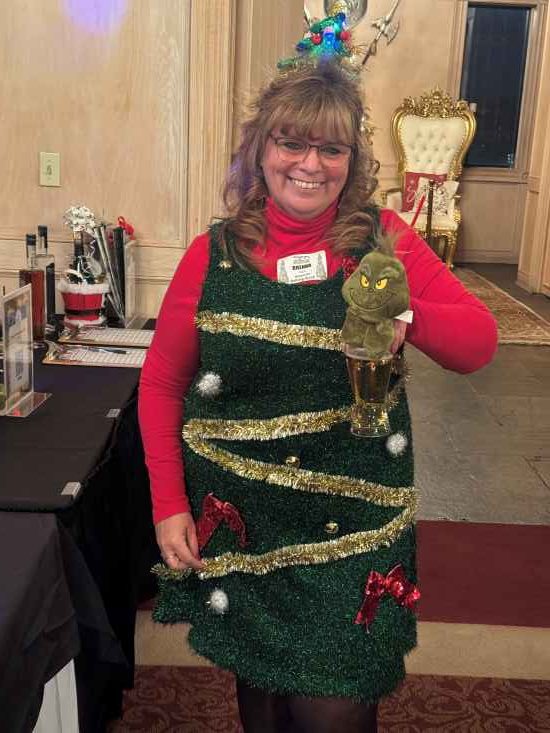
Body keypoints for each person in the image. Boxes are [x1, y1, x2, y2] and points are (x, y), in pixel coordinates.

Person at [139, 14, 497, 733]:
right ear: (260, 149)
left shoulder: (384, 242)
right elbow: (161, 384)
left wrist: (403, 314)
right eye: (291, 142)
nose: (310, 164)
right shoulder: (212, 255)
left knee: (332, 701)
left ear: (352, 159)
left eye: (330, 148)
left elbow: (478, 343)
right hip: (245, 517)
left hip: (352, 525)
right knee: (265, 693)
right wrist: (169, 503)